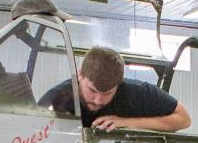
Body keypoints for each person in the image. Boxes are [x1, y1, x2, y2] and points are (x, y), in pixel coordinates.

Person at [40, 46, 190, 133]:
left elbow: (184, 119)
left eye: (107, 93)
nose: (98, 100)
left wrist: (128, 122)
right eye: (92, 90)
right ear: (79, 74)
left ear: (119, 84)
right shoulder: (53, 101)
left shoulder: (137, 92)